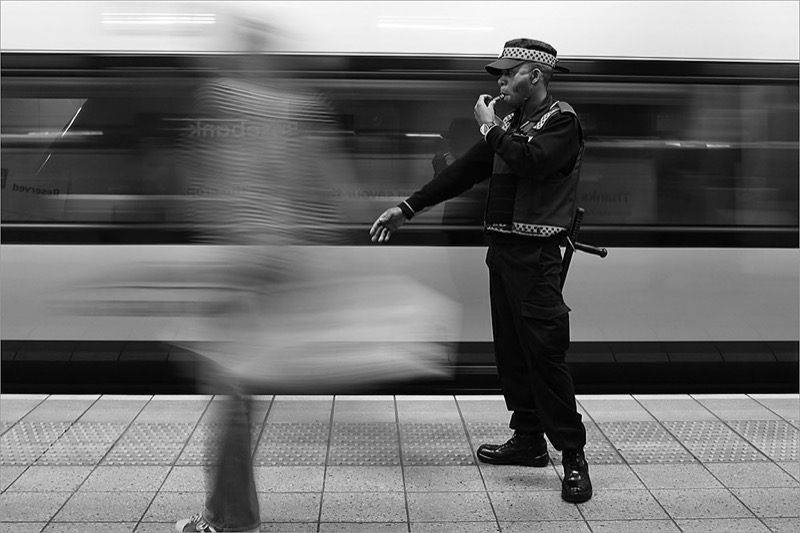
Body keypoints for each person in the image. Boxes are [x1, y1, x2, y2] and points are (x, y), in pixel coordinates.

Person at [370, 38, 592, 503]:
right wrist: (407, 208)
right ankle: (530, 440)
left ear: (535, 76)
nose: (499, 81)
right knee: (511, 351)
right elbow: (465, 172)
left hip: (538, 258)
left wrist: (491, 130)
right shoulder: (512, 123)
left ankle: (573, 456)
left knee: (546, 353)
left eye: (507, 73)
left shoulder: (561, 121)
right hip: (505, 254)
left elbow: (534, 162)